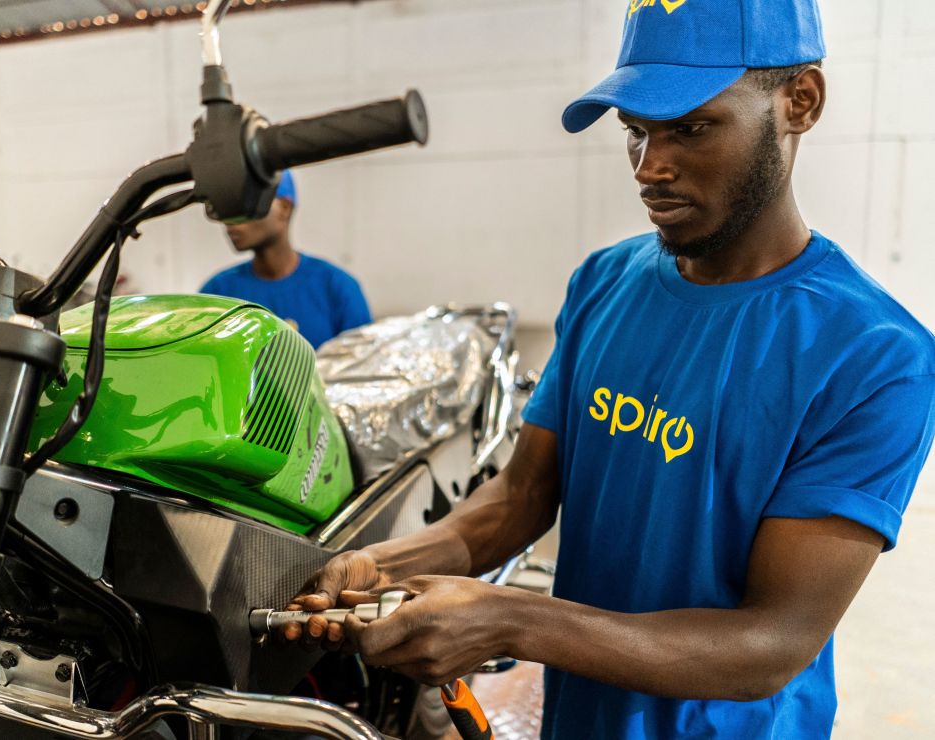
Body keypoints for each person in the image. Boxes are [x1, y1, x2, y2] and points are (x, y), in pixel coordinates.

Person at [280, 1, 935, 738]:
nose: (650, 167)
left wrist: (510, 619)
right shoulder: (606, 282)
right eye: (635, 131)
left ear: (800, 102)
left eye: (690, 127)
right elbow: (522, 496)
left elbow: (771, 644)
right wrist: (379, 567)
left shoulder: (873, 355)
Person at [199, 170, 371, 348]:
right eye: (226, 209)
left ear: (284, 208)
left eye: (243, 207)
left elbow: (361, 367)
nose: (229, 221)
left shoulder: (337, 287)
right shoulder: (217, 294)